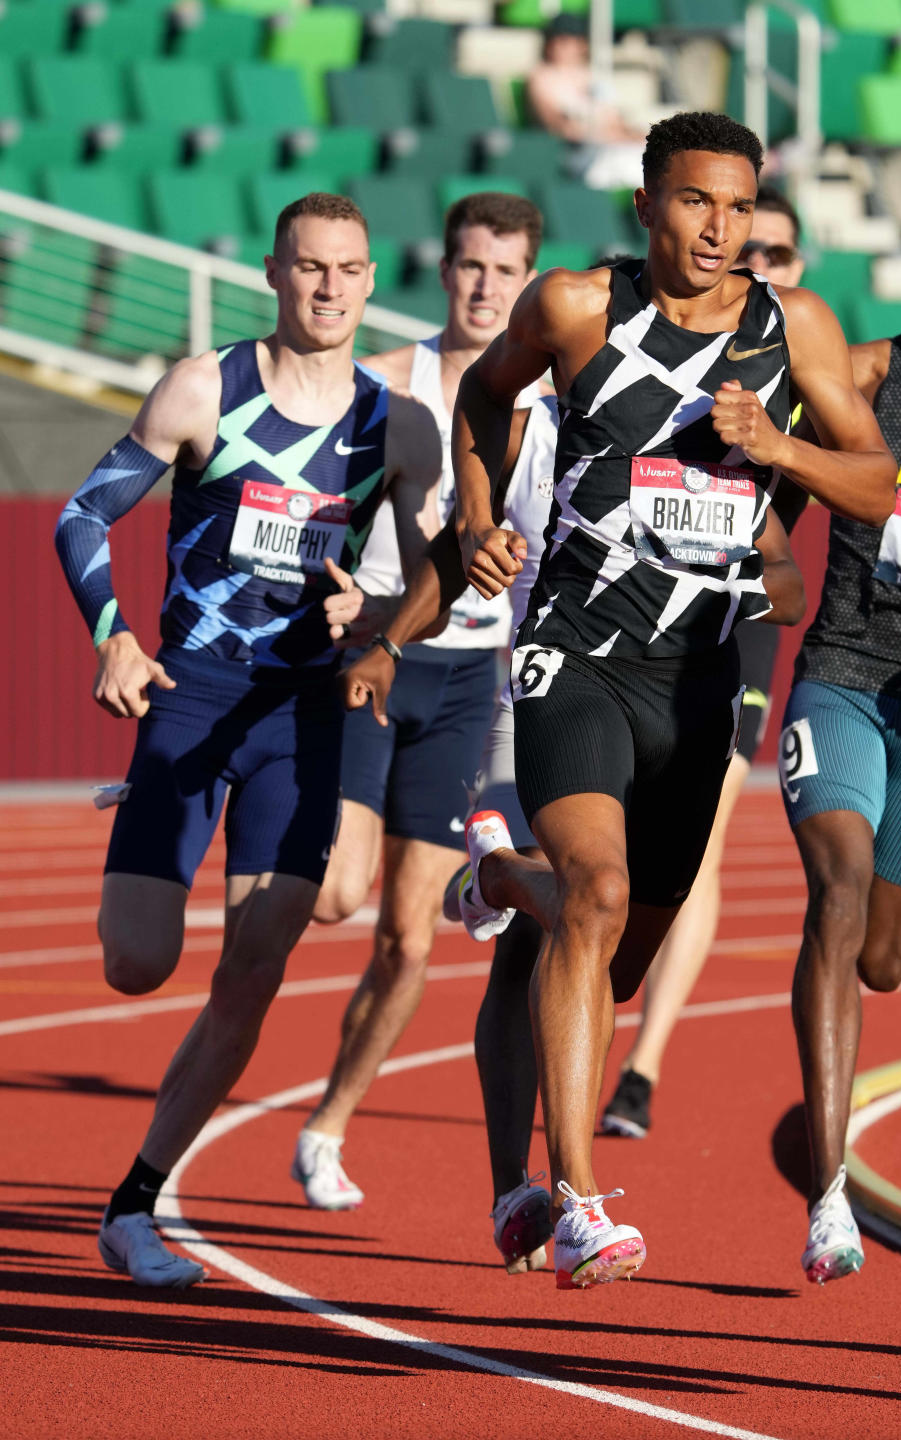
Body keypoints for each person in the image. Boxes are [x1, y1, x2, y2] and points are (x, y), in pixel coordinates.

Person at [449, 109, 896, 1290]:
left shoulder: (790, 326)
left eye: (739, 206)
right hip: (576, 652)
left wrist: (781, 451)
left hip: (699, 676)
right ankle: (580, 1203)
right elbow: (482, 403)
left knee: (611, 950)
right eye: (696, 201)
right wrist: (478, 517)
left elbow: (880, 489)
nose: (719, 227)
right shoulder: (572, 308)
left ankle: (501, 882)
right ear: (646, 205)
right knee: (593, 896)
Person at [54, 192, 441, 1287]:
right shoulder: (202, 388)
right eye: (309, 268)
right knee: (138, 964)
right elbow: (80, 517)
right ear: (274, 274)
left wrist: (369, 621)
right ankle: (145, 809)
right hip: (186, 693)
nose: (328, 288)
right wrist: (114, 637)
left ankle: (136, 1203)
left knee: (252, 970)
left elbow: (425, 583)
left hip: (300, 715)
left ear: (370, 281)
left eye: (349, 270)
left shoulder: (394, 426)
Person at [289, 194, 549, 1210]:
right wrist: (340, 587)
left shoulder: (543, 409)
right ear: (444, 272)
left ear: (529, 282)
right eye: (471, 268)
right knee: (337, 897)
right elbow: (315, 509)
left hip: (471, 679)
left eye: (506, 272)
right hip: (377, 661)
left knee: (408, 939)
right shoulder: (385, 388)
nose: (487, 288)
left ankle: (327, 1125)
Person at [601, 185, 809, 1140]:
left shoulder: (813, 353)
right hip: (627, 603)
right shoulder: (660, 330)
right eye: (742, 239)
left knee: (699, 833)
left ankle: (638, 1066)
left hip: (739, 615)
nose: (752, 255)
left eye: (775, 247)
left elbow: (879, 476)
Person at [780, 206, 901, 1285]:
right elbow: (745, 459)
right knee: (838, 891)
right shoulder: (857, 371)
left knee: (885, 962)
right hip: (842, 675)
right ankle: (828, 1191)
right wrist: (769, 556)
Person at [525, 13, 647, 190]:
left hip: (608, 148)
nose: (558, 46)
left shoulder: (591, 77)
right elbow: (558, 126)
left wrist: (637, 137)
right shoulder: (541, 77)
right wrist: (608, 137)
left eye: (566, 40)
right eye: (554, 39)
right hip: (574, 155)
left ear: (581, 44)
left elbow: (616, 123)